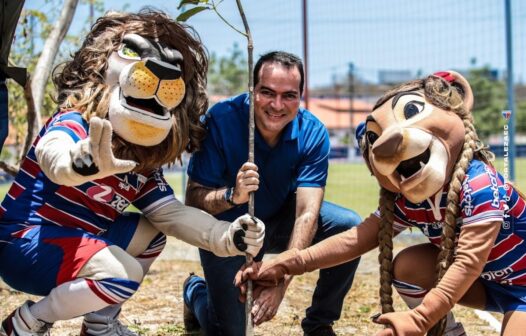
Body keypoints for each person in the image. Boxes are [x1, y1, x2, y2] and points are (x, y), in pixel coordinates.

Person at [0, 10, 265, 336]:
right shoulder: (77, 122)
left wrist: (226, 237)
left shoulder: (141, 165)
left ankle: (99, 325)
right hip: (24, 243)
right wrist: (80, 164)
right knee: (120, 273)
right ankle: (28, 323)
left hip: (75, 242)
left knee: (151, 234)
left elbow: (172, 215)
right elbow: (51, 155)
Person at [236, 71, 526, 336]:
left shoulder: (480, 184)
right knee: (407, 267)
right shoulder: (409, 197)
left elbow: (467, 263)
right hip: (490, 286)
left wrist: (419, 319)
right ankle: (449, 333)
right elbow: (355, 239)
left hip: (519, 287)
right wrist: (288, 263)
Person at [182, 51, 361, 336]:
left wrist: (282, 277)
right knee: (230, 332)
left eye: (289, 95)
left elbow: (306, 213)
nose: (277, 105)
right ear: (252, 91)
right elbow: (193, 199)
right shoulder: (221, 118)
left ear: (301, 96)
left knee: (348, 227)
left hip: (281, 220)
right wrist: (233, 195)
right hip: (229, 231)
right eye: (267, 92)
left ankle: (319, 324)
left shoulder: (312, 131)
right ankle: (195, 291)